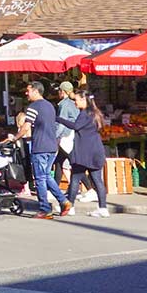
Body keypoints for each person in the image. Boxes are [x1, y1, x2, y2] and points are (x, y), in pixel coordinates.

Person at [20, 81, 70, 219]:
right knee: (47, 175)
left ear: (36, 91)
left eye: (28, 90)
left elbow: (26, 126)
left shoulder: (33, 107)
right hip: (52, 146)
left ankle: (45, 209)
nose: (26, 93)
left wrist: (15, 137)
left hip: (40, 147)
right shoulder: (50, 106)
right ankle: (63, 201)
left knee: (40, 178)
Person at [60, 89, 111, 218]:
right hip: (96, 150)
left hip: (84, 152)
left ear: (84, 100)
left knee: (75, 179)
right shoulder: (95, 113)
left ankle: (70, 206)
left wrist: (59, 119)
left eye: (76, 100)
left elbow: (76, 126)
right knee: (97, 180)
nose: (75, 103)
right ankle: (103, 208)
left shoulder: (85, 113)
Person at [55, 81, 80, 188]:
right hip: (72, 135)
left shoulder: (64, 104)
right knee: (59, 162)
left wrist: (55, 136)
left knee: (74, 163)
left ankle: (89, 189)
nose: (58, 93)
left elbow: (62, 123)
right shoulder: (73, 103)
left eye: (59, 90)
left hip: (66, 137)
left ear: (63, 92)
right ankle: (54, 188)